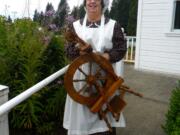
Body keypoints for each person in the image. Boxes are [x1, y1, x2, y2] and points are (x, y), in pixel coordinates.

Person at [63, 0, 127, 134]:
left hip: (106, 80)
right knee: (81, 117)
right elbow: (68, 51)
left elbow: (121, 49)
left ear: (102, 3)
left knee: (105, 121)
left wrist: (104, 57)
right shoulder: (75, 26)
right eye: (88, 0)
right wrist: (81, 52)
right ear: (85, 3)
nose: (92, 1)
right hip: (80, 84)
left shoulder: (113, 25)